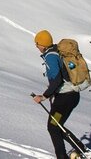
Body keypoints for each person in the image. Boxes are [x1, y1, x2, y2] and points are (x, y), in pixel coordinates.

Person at [33, 29, 81, 159]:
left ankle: (63, 156)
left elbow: (57, 79)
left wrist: (44, 96)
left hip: (65, 98)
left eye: (37, 44)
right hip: (71, 96)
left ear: (42, 44)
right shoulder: (57, 52)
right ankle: (81, 150)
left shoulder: (51, 56)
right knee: (56, 126)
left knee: (53, 127)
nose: (36, 47)